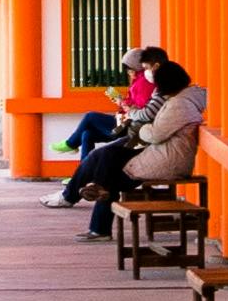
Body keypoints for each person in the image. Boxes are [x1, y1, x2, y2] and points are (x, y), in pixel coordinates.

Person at [87, 49, 204, 242]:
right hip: (164, 154)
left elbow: (155, 133)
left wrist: (143, 128)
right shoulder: (183, 99)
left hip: (168, 160)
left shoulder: (179, 105)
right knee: (109, 159)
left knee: (111, 173)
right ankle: (99, 213)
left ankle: (99, 223)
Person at [54, 51, 158, 208]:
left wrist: (123, 104)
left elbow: (140, 111)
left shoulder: (144, 83)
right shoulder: (138, 81)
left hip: (130, 127)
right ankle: (83, 173)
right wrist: (121, 101)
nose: (127, 71)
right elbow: (132, 104)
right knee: (88, 134)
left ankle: (71, 144)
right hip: (126, 122)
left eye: (128, 67)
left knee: (90, 117)